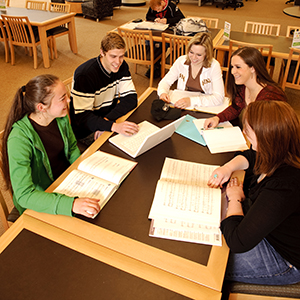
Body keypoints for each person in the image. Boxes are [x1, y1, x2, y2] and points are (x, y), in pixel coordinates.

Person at [208, 100, 300, 285]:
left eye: (248, 131)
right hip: (268, 232)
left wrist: (234, 199)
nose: (244, 133)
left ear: (267, 137)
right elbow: (251, 156)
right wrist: (227, 168)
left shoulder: (284, 186)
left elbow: (238, 241)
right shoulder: (280, 151)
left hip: (284, 259)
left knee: (209, 264)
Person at [2, 74, 101, 219]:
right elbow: (24, 195)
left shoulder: (60, 117)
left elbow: (72, 147)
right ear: (41, 107)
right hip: (44, 198)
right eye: (62, 98)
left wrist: (83, 172)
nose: (68, 100)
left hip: (67, 182)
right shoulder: (19, 139)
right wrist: (71, 204)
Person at [70, 32, 139, 146]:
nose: (118, 62)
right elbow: (82, 117)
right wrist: (112, 126)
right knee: (125, 146)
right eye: (113, 56)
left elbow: (131, 99)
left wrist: (107, 121)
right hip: (86, 131)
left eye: (121, 56)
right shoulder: (85, 75)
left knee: (135, 136)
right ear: (102, 52)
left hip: (107, 120)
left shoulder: (122, 66)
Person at [204, 47, 286, 129]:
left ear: (253, 68)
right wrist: (217, 118)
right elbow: (236, 107)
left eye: (238, 67)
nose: (232, 71)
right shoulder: (243, 87)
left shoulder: (271, 96)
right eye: (232, 67)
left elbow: (268, 131)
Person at [157, 32, 225, 109]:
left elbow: (219, 97)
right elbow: (165, 82)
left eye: (199, 55)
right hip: (183, 105)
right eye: (191, 52)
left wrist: (191, 101)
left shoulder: (214, 66)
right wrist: (163, 92)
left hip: (204, 106)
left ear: (207, 54)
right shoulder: (181, 61)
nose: (193, 58)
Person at [145, 0, 185, 79]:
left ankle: (155, 66)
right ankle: (154, 65)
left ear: (163, 3)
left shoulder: (171, 6)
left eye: (159, 9)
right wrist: (155, 19)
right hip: (157, 30)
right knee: (149, 41)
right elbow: (148, 16)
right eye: (156, 10)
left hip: (169, 32)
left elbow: (181, 18)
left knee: (160, 44)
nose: (158, 11)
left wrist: (167, 20)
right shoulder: (153, 6)